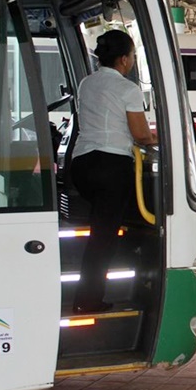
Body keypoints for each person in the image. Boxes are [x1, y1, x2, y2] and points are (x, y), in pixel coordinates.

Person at [71, 30, 157, 313]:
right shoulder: (128, 89)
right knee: (103, 238)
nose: (131, 61)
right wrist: (163, 137)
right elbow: (141, 135)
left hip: (82, 165)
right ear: (123, 59)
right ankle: (88, 300)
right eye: (132, 56)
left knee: (104, 227)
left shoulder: (86, 84)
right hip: (111, 167)